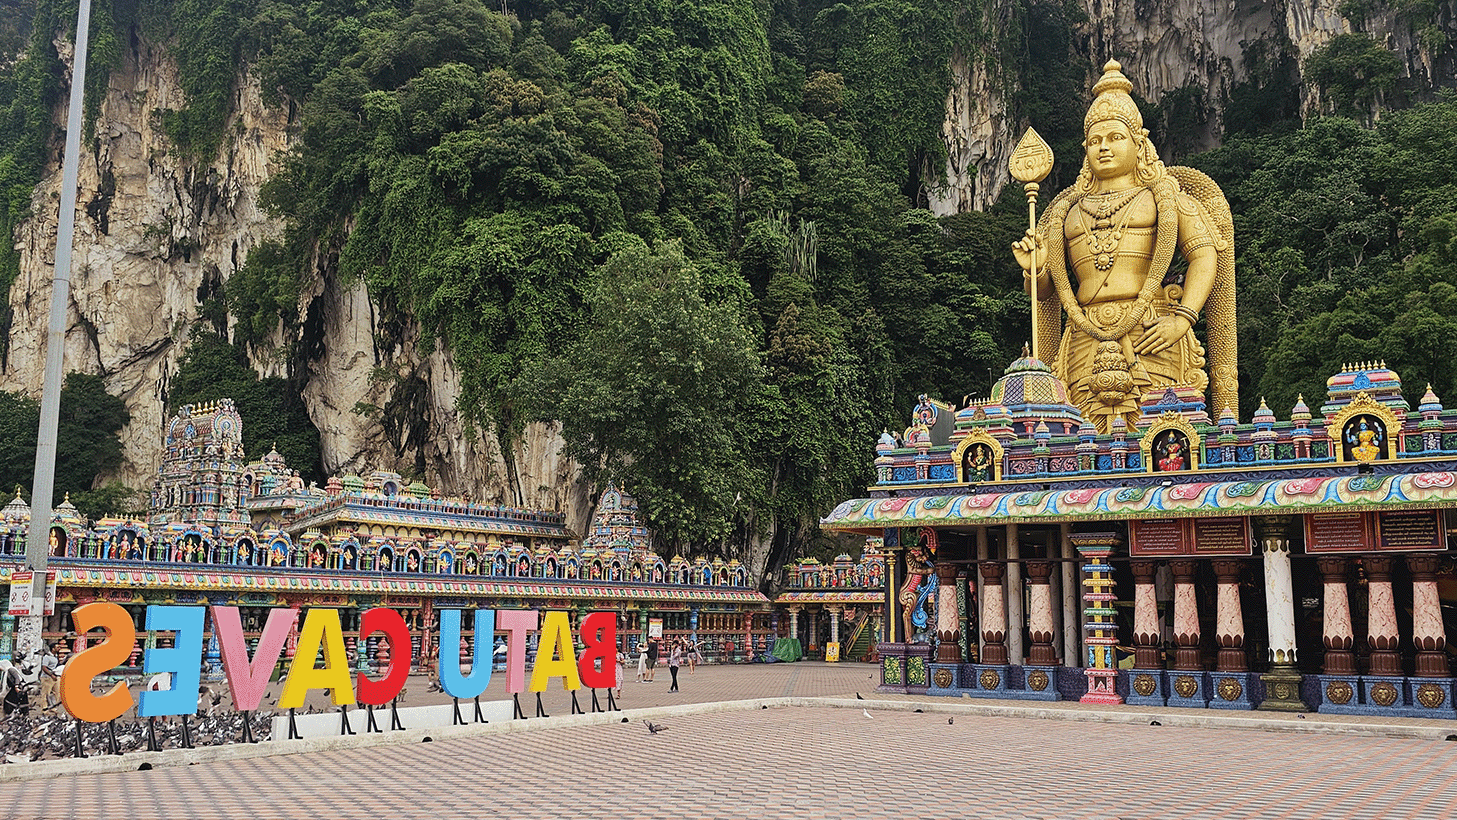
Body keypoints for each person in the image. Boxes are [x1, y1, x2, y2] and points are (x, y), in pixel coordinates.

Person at [1013, 60, 1236, 433]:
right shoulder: (1064, 212)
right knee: (1079, 440)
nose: (1104, 148)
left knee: (1165, 437)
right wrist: (1034, 270)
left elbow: (1204, 254)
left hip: (1151, 329)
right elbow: (1044, 294)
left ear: (1138, 142)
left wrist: (1184, 319)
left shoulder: (1163, 197)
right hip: (1084, 337)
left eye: (1115, 138)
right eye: (1095, 141)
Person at [36, 643, 58, 714]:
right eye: (57, 647)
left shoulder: (55, 656)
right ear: (53, 649)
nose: (59, 648)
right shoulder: (47, 657)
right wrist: (51, 675)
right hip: (47, 678)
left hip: (55, 677)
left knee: (56, 693)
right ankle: (44, 709)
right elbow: (44, 667)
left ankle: (53, 707)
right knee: (45, 694)